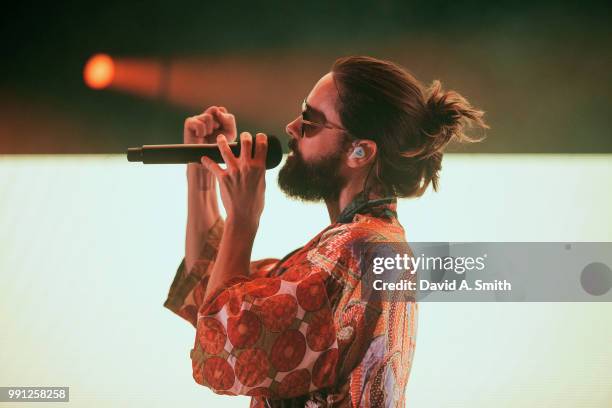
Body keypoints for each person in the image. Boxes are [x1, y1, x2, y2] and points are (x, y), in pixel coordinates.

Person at [163, 56, 488, 407]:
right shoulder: (362, 243)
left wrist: (244, 219)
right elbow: (210, 291)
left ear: (360, 151)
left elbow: (221, 346)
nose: (291, 127)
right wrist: (202, 170)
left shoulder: (359, 249)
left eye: (309, 121)